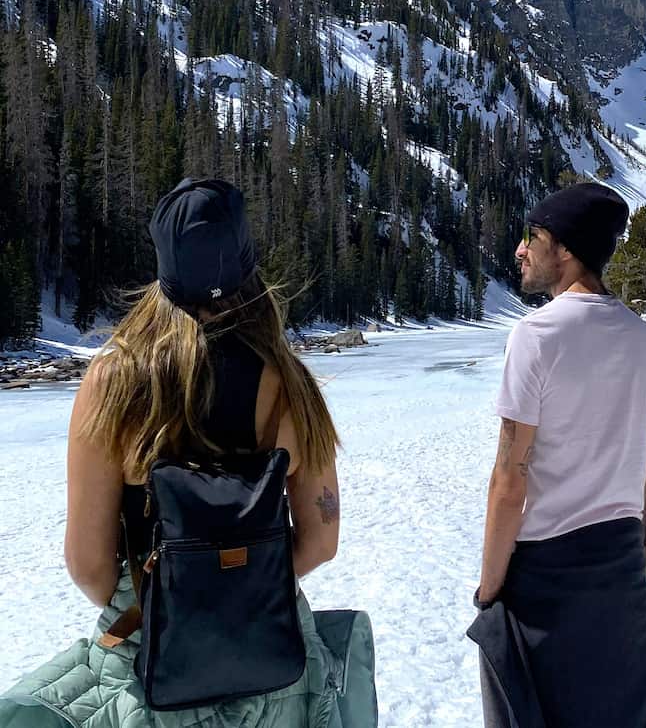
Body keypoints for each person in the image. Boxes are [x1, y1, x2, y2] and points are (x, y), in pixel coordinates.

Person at [1, 178, 374, 727]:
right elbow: (321, 540)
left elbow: (88, 563)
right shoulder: (290, 385)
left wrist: (176, 598)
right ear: (249, 267)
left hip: (151, 661)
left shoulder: (115, 381)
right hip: (272, 665)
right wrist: (240, 588)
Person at [468, 182, 646, 728]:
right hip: (621, 580)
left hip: (547, 587)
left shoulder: (537, 337)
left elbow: (509, 481)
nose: (521, 249)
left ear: (566, 250)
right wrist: (641, 575)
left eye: (534, 236)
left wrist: (490, 591)